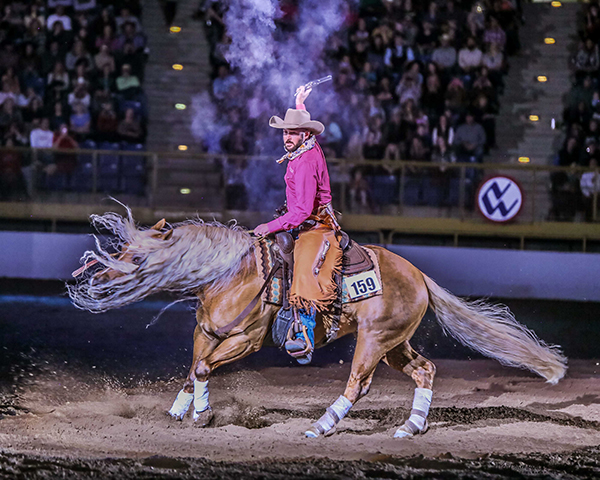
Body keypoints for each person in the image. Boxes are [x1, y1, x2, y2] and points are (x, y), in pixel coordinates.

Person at [253, 86, 341, 365]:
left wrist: (271, 226)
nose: (287, 137)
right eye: (284, 132)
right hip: (304, 221)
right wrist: (299, 103)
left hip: (315, 226)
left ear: (305, 134)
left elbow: (302, 211)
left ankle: (304, 335)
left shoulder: (304, 162)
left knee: (303, 268)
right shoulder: (308, 146)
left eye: (292, 132)